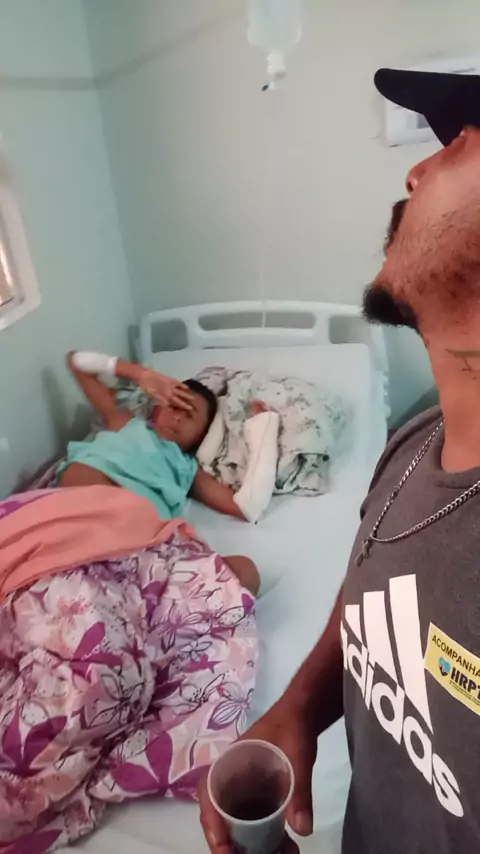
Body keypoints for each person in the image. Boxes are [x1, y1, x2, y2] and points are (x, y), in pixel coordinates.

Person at [199, 68, 480, 854]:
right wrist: (301, 704)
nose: (415, 170)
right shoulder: (415, 445)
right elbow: (377, 591)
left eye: (460, 144)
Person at [60, 350, 259, 595]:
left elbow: (244, 505)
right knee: (85, 478)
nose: (178, 417)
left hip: (141, 547)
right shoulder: (124, 422)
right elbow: (76, 362)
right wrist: (140, 374)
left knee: (245, 572)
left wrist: (262, 429)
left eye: (189, 415)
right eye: (174, 406)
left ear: (201, 436)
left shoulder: (187, 468)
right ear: (157, 409)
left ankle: (122, 595)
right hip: (85, 517)